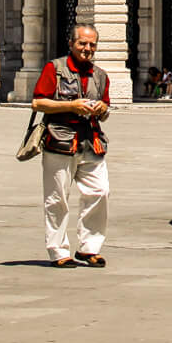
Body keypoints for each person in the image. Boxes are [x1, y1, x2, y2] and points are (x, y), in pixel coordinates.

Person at [31, 24, 112, 268]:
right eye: (82, 43)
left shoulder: (100, 75)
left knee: (99, 192)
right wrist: (71, 106)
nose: (87, 49)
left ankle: (89, 248)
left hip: (91, 141)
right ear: (71, 44)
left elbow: (106, 109)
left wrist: (102, 108)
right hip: (60, 141)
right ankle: (58, 251)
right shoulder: (54, 69)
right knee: (57, 199)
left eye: (92, 44)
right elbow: (38, 102)